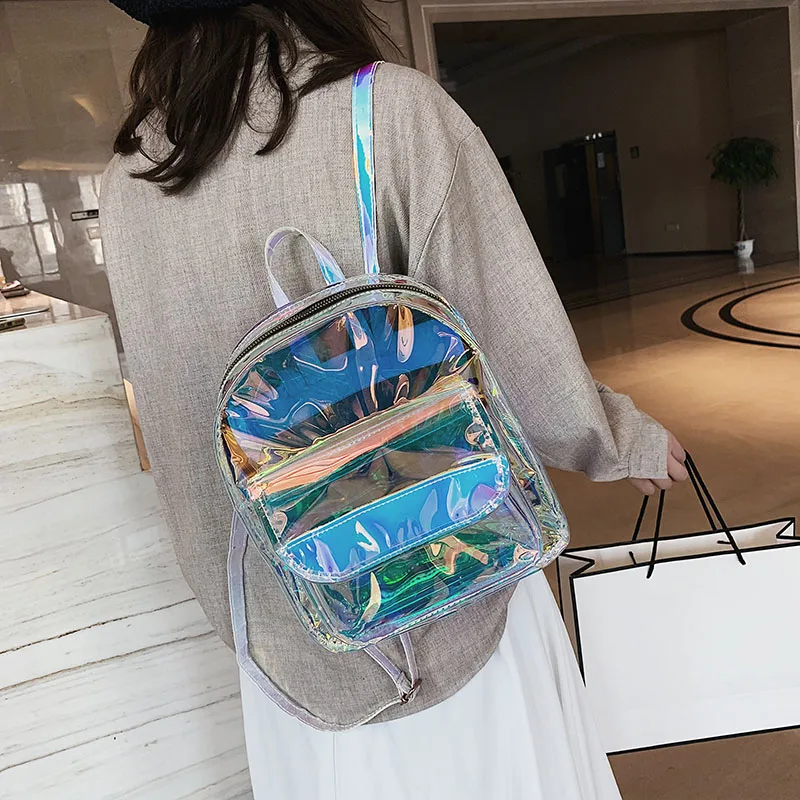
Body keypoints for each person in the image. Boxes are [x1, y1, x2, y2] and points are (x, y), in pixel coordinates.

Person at [100, 2, 689, 797]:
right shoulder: (383, 111)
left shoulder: (132, 177)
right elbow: (512, 343)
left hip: (285, 621)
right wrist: (619, 440)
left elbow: (175, 421)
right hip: (442, 570)